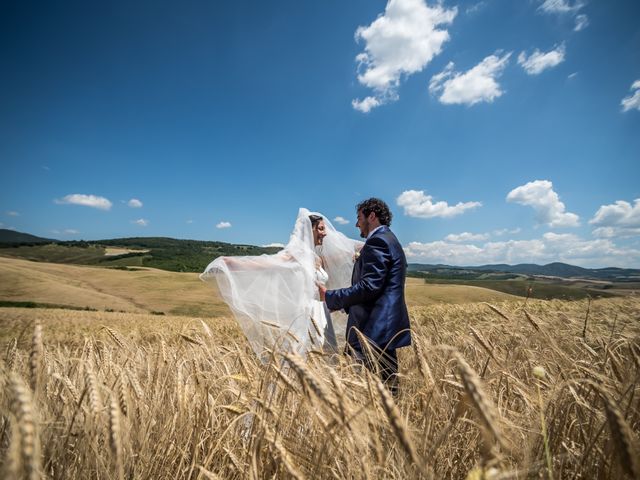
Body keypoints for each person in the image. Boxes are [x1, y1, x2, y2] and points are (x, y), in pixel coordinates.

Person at [200, 208, 361, 359]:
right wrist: (229, 263)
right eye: (320, 229)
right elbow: (268, 263)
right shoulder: (295, 254)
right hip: (305, 317)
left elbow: (340, 257)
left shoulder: (317, 258)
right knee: (304, 362)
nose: (324, 233)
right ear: (309, 230)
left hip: (321, 315)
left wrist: (362, 250)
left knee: (325, 363)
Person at [319, 198, 411, 391]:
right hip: (380, 328)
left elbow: (369, 287)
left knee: (374, 391)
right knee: (385, 388)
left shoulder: (379, 241)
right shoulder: (389, 239)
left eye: (359, 217)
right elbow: (377, 288)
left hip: (374, 329)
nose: (356, 224)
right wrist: (342, 305)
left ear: (372, 216)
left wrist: (330, 297)